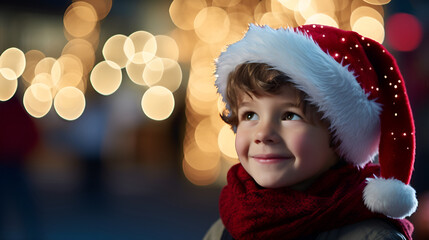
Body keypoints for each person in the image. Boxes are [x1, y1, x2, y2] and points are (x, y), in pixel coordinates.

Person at [204, 24, 418, 240]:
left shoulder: (372, 236)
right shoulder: (225, 227)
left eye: (290, 116)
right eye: (250, 115)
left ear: (339, 139)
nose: (263, 133)